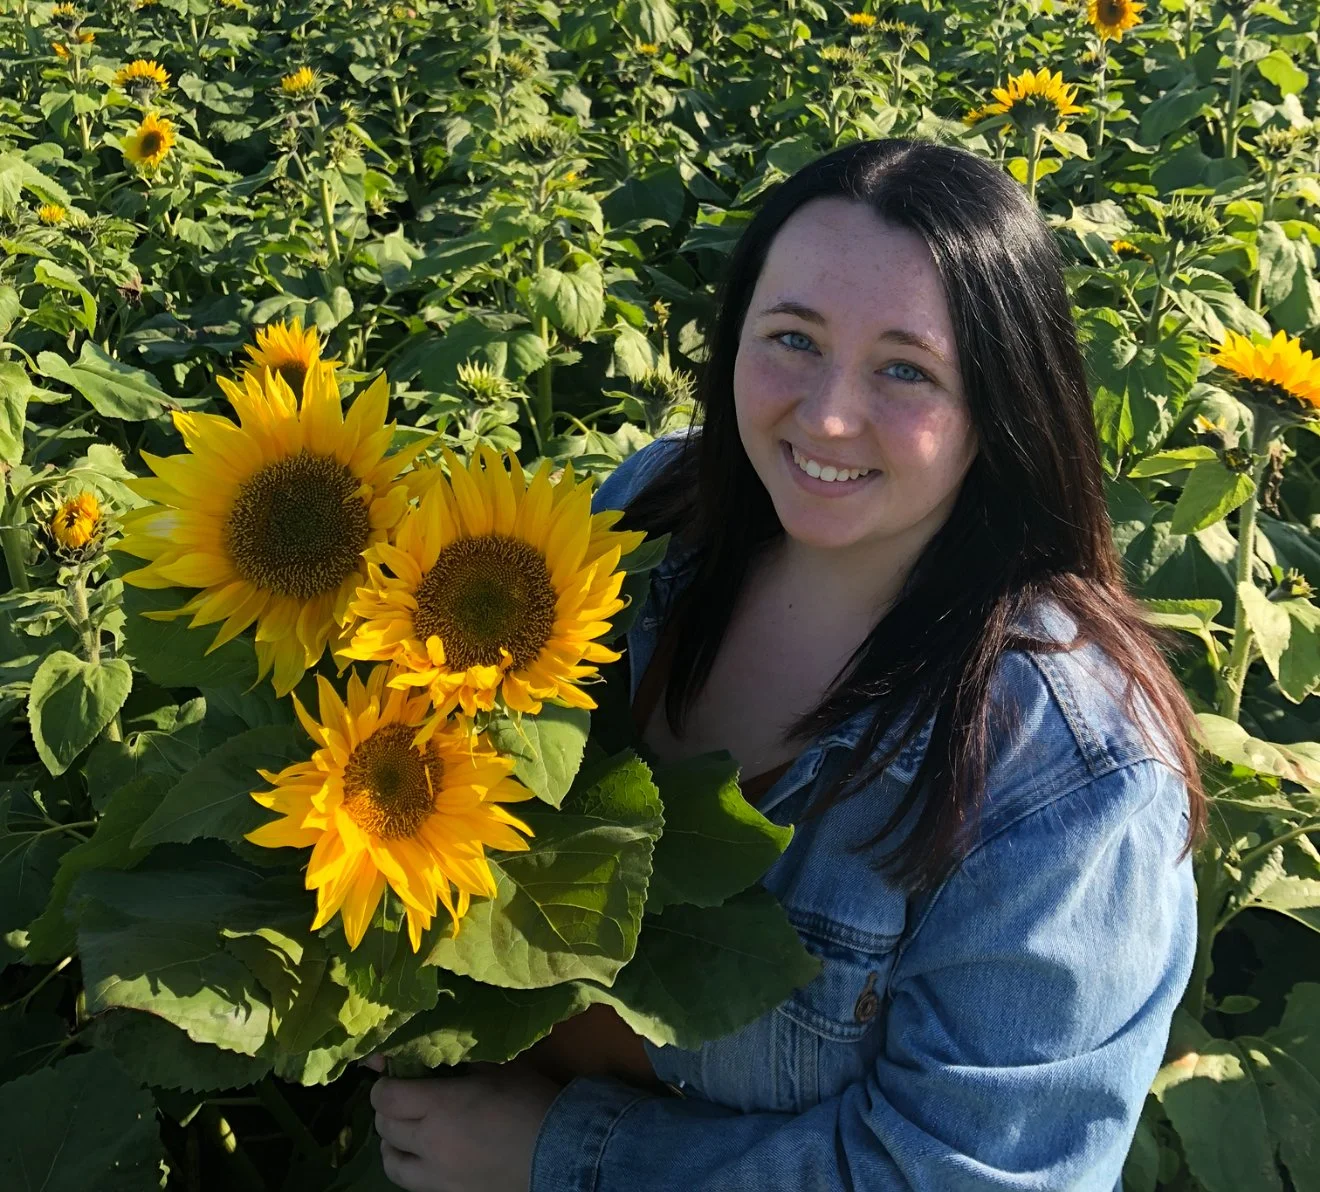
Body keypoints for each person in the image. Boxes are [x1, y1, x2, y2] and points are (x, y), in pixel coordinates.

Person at [366, 136, 1204, 1192]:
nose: (829, 415)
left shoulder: (1063, 779)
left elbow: (968, 1176)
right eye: (793, 338)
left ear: (1002, 403)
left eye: (906, 368)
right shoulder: (650, 520)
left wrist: (554, 1156)